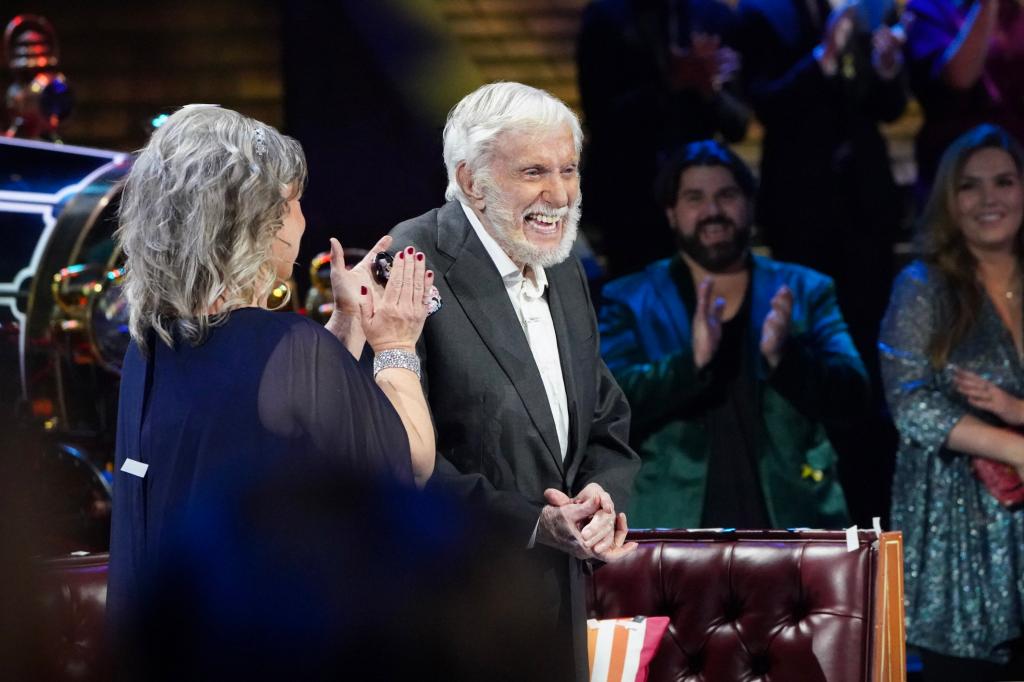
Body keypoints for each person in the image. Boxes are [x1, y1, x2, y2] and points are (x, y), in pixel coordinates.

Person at [107, 105, 435, 651]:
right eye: (291, 203)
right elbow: (411, 462)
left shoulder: (151, 345)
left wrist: (347, 324)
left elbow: (266, 409)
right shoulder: (287, 348)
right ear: (252, 220)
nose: (302, 220)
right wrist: (396, 343)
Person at [388, 81, 641, 681]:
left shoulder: (566, 269)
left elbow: (604, 416)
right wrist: (530, 523)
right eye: (533, 172)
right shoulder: (410, 259)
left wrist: (603, 495)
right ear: (471, 180)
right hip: (456, 606)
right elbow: (393, 454)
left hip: (558, 604)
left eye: (568, 170)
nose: (558, 194)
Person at [600, 139, 868, 529]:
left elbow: (855, 398)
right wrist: (690, 365)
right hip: (674, 525)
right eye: (695, 198)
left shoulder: (805, 289)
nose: (712, 211)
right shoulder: (629, 299)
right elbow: (609, 409)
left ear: (749, 204)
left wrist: (785, 358)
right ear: (672, 213)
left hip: (791, 522)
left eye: (726, 195)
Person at [879, 124, 1024, 680]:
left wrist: (1016, 413)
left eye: (1004, 181)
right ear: (949, 200)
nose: (990, 198)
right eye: (971, 185)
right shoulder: (924, 286)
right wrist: (1013, 446)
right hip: (960, 535)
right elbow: (911, 403)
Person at [577, 0, 751, 278]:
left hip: (700, 198)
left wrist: (709, 91)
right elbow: (600, 115)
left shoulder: (713, 16)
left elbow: (738, 124)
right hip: (629, 201)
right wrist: (670, 83)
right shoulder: (607, 16)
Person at [904, 0, 1024, 204]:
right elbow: (960, 77)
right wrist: (987, 6)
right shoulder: (927, 8)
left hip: (1017, 166)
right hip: (961, 175)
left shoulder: (1014, 10)